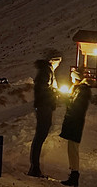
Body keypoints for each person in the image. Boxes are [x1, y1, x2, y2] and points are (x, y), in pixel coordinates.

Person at [28, 48, 62, 177]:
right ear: (54, 61)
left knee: (40, 135)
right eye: (58, 62)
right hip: (44, 106)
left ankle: (35, 167)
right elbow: (42, 88)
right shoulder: (46, 71)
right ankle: (34, 168)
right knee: (40, 135)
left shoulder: (46, 71)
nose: (59, 65)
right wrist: (55, 93)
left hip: (44, 106)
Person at [59, 67, 92, 186]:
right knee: (71, 149)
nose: (71, 79)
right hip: (74, 122)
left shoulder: (82, 91)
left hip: (75, 123)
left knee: (73, 149)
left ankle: (74, 176)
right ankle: (73, 174)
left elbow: (76, 107)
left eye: (73, 77)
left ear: (77, 78)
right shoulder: (80, 90)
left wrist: (67, 100)